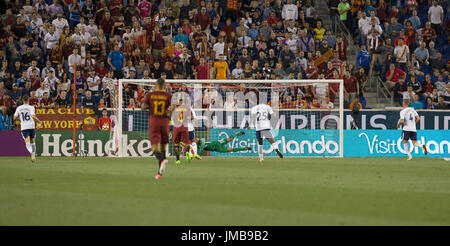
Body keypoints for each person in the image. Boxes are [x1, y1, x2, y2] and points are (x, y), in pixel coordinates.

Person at [142, 78, 174, 180]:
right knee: (163, 147)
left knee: (155, 148)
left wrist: (149, 107)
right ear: (165, 86)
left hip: (154, 122)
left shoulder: (150, 95)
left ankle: (163, 160)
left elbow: (143, 107)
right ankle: (159, 173)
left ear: (156, 85)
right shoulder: (169, 96)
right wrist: (168, 112)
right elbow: (172, 107)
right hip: (165, 123)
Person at [13, 95, 42, 162]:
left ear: (22, 100)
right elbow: (33, 117)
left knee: (27, 141)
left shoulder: (19, 108)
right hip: (31, 126)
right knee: (33, 142)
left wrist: (19, 119)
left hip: (24, 127)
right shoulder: (31, 107)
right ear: (28, 100)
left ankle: (31, 153)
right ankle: (33, 155)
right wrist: (39, 122)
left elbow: (14, 118)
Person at [187, 132, 251, 160]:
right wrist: (191, 157)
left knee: (229, 139)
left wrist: (199, 155)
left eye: (196, 138)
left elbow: (201, 148)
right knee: (231, 149)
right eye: (195, 139)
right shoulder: (197, 146)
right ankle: (245, 148)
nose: (196, 139)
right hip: (217, 149)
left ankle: (237, 133)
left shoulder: (202, 140)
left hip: (217, 143)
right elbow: (197, 150)